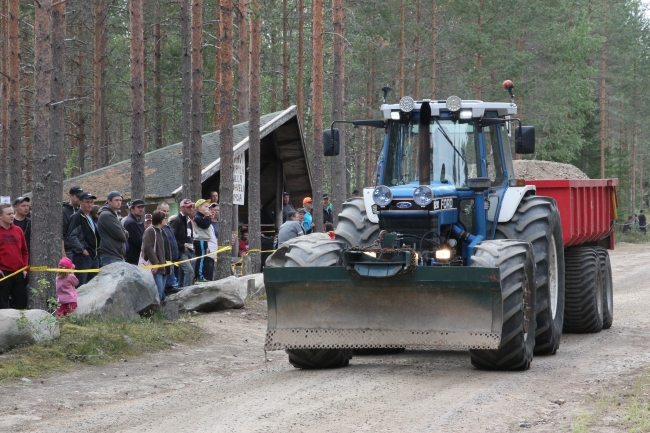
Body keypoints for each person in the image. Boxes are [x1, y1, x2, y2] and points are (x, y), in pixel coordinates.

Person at [65, 192, 100, 286]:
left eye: (92, 202)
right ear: (80, 202)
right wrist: (83, 250)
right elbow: (72, 236)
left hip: (94, 255)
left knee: (93, 285)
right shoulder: (77, 217)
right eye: (87, 202)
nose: (90, 204)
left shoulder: (90, 217)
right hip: (82, 257)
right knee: (81, 285)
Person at [0, 203, 29, 309]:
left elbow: (25, 251)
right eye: (8, 214)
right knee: (2, 306)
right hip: (3, 275)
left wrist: (25, 267)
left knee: (22, 304)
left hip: (19, 273)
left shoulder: (18, 230)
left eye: (12, 213)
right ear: (0, 216)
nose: (12, 216)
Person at [142, 211, 170, 301]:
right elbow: (148, 247)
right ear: (159, 219)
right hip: (156, 267)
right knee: (158, 291)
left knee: (162, 291)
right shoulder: (150, 230)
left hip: (164, 266)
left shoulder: (163, 231)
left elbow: (166, 248)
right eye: (164, 218)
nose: (165, 220)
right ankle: (157, 313)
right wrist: (155, 263)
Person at [97, 191, 128, 267]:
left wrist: (124, 232)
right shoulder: (107, 215)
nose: (119, 202)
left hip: (116, 255)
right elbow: (122, 236)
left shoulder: (113, 215)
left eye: (120, 200)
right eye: (116, 200)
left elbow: (126, 232)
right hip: (110, 256)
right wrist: (124, 232)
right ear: (109, 201)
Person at [169, 198, 195, 287]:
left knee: (183, 273)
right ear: (182, 208)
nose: (191, 208)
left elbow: (188, 236)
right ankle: (186, 293)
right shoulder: (176, 221)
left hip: (189, 251)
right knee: (189, 271)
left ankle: (181, 290)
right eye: (188, 207)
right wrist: (182, 247)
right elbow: (171, 238)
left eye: (191, 207)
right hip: (180, 252)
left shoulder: (188, 221)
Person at [157, 202, 180, 292]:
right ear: (158, 211)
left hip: (173, 261)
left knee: (173, 285)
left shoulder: (168, 226)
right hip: (164, 262)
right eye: (163, 211)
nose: (166, 213)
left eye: (167, 211)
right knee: (167, 288)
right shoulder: (157, 228)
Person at [193, 199, 212, 283]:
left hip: (204, 240)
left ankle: (201, 275)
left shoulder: (203, 217)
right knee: (201, 258)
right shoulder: (197, 217)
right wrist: (207, 216)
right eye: (206, 206)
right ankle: (199, 276)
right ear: (199, 208)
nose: (208, 208)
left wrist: (208, 216)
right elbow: (205, 225)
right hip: (200, 240)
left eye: (208, 207)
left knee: (203, 258)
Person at [63, 186, 84, 256]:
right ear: (70, 196)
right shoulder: (63, 211)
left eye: (81, 197)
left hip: (81, 250)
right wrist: (63, 255)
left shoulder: (81, 212)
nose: (80, 199)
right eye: (78, 196)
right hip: (69, 251)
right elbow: (61, 234)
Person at [123, 199, 146, 265]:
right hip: (133, 259)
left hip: (139, 258)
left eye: (142, 207)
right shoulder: (131, 222)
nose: (141, 209)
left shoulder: (138, 221)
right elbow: (139, 241)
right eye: (138, 207)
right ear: (132, 209)